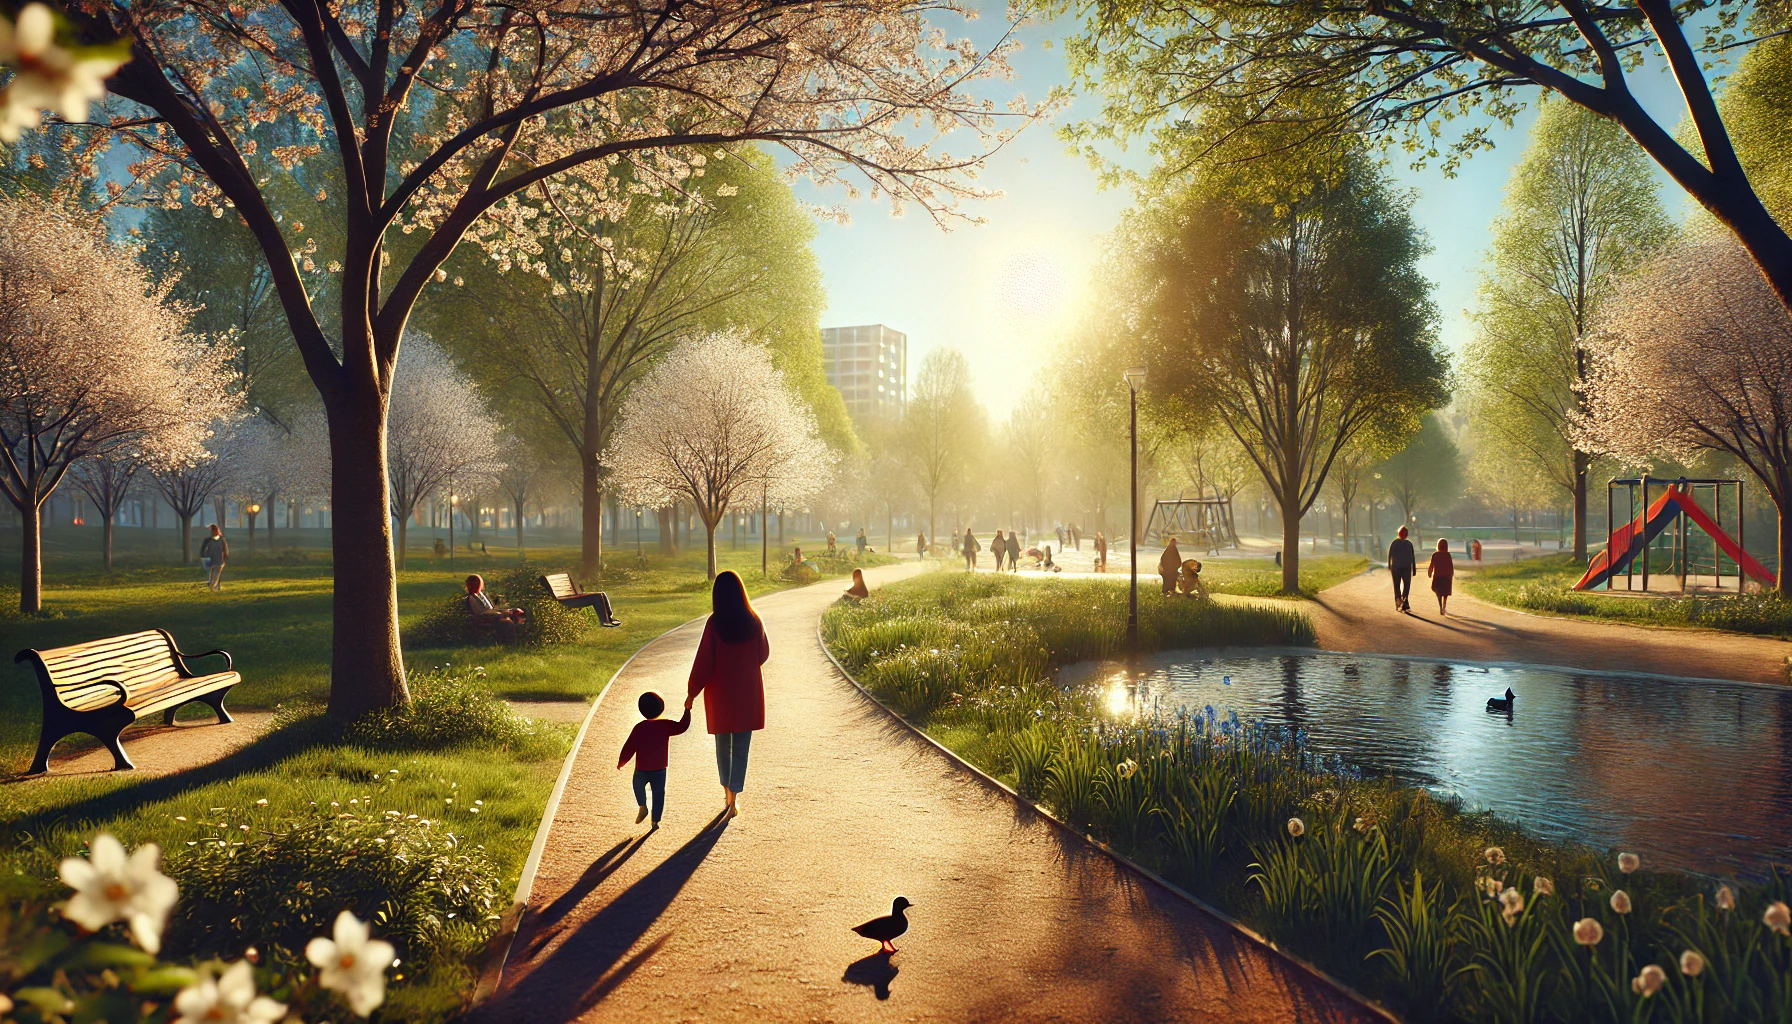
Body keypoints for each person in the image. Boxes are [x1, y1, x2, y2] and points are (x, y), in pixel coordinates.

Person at [685, 570, 769, 819]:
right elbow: (763, 654)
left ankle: (727, 794)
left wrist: (692, 693)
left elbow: (704, 662)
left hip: (720, 695)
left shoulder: (714, 623)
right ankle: (735, 797)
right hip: (747, 692)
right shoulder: (754, 621)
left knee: (723, 746)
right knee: (741, 746)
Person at [618, 691, 691, 828]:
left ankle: (642, 805)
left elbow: (630, 746)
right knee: (658, 794)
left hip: (642, 768)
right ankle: (655, 820)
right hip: (659, 768)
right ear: (661, 708)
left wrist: (622, 761)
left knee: (637, 785)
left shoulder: (639, 728)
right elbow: (682, 726)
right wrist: (687, 710)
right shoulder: (665, 725)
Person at [464, 573, 526, 642]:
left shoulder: (480, 595)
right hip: (486, 618)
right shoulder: (472, 598)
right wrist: (500, 614)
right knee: (507, 622)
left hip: (491, 615)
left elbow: (490, 608)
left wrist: (504, 611)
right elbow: (481, 613)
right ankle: (510, 642)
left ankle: (521, 637)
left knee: (515, 612)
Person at [1387, 527, 1417, 613]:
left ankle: (1404, 600)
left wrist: (1414, 569)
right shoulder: (1395, 543)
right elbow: (1390, 555)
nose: (1404, 535)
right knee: (1397, 585)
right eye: (1402, 533)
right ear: (1399, 533)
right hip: (1396, 567)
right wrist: (1390, 566)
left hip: (1406, 567)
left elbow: (1412, 557)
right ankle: (1398, 600)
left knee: (1406, 585)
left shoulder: (1408, 544)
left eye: (1405, 533)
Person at [1428, 538, 1455, 616]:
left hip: (1437, 576)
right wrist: (1452, 574)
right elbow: (1451, 565)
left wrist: (1430, 573)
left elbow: (1431, 565)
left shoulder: (1435, 554)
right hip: (1446, 576)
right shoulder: (1448, 554)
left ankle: (1440, 606)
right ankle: (1444, 605)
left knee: (1438, 592)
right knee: (1445, 593)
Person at [200, 524, 229, 591]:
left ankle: (213, 584)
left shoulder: (220, 540)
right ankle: (213, 584)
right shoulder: (212, 540)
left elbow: (225, 549)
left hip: (216, 558)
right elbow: (225, 549)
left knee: (215, 572)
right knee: (214, 572)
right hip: (212, 558)